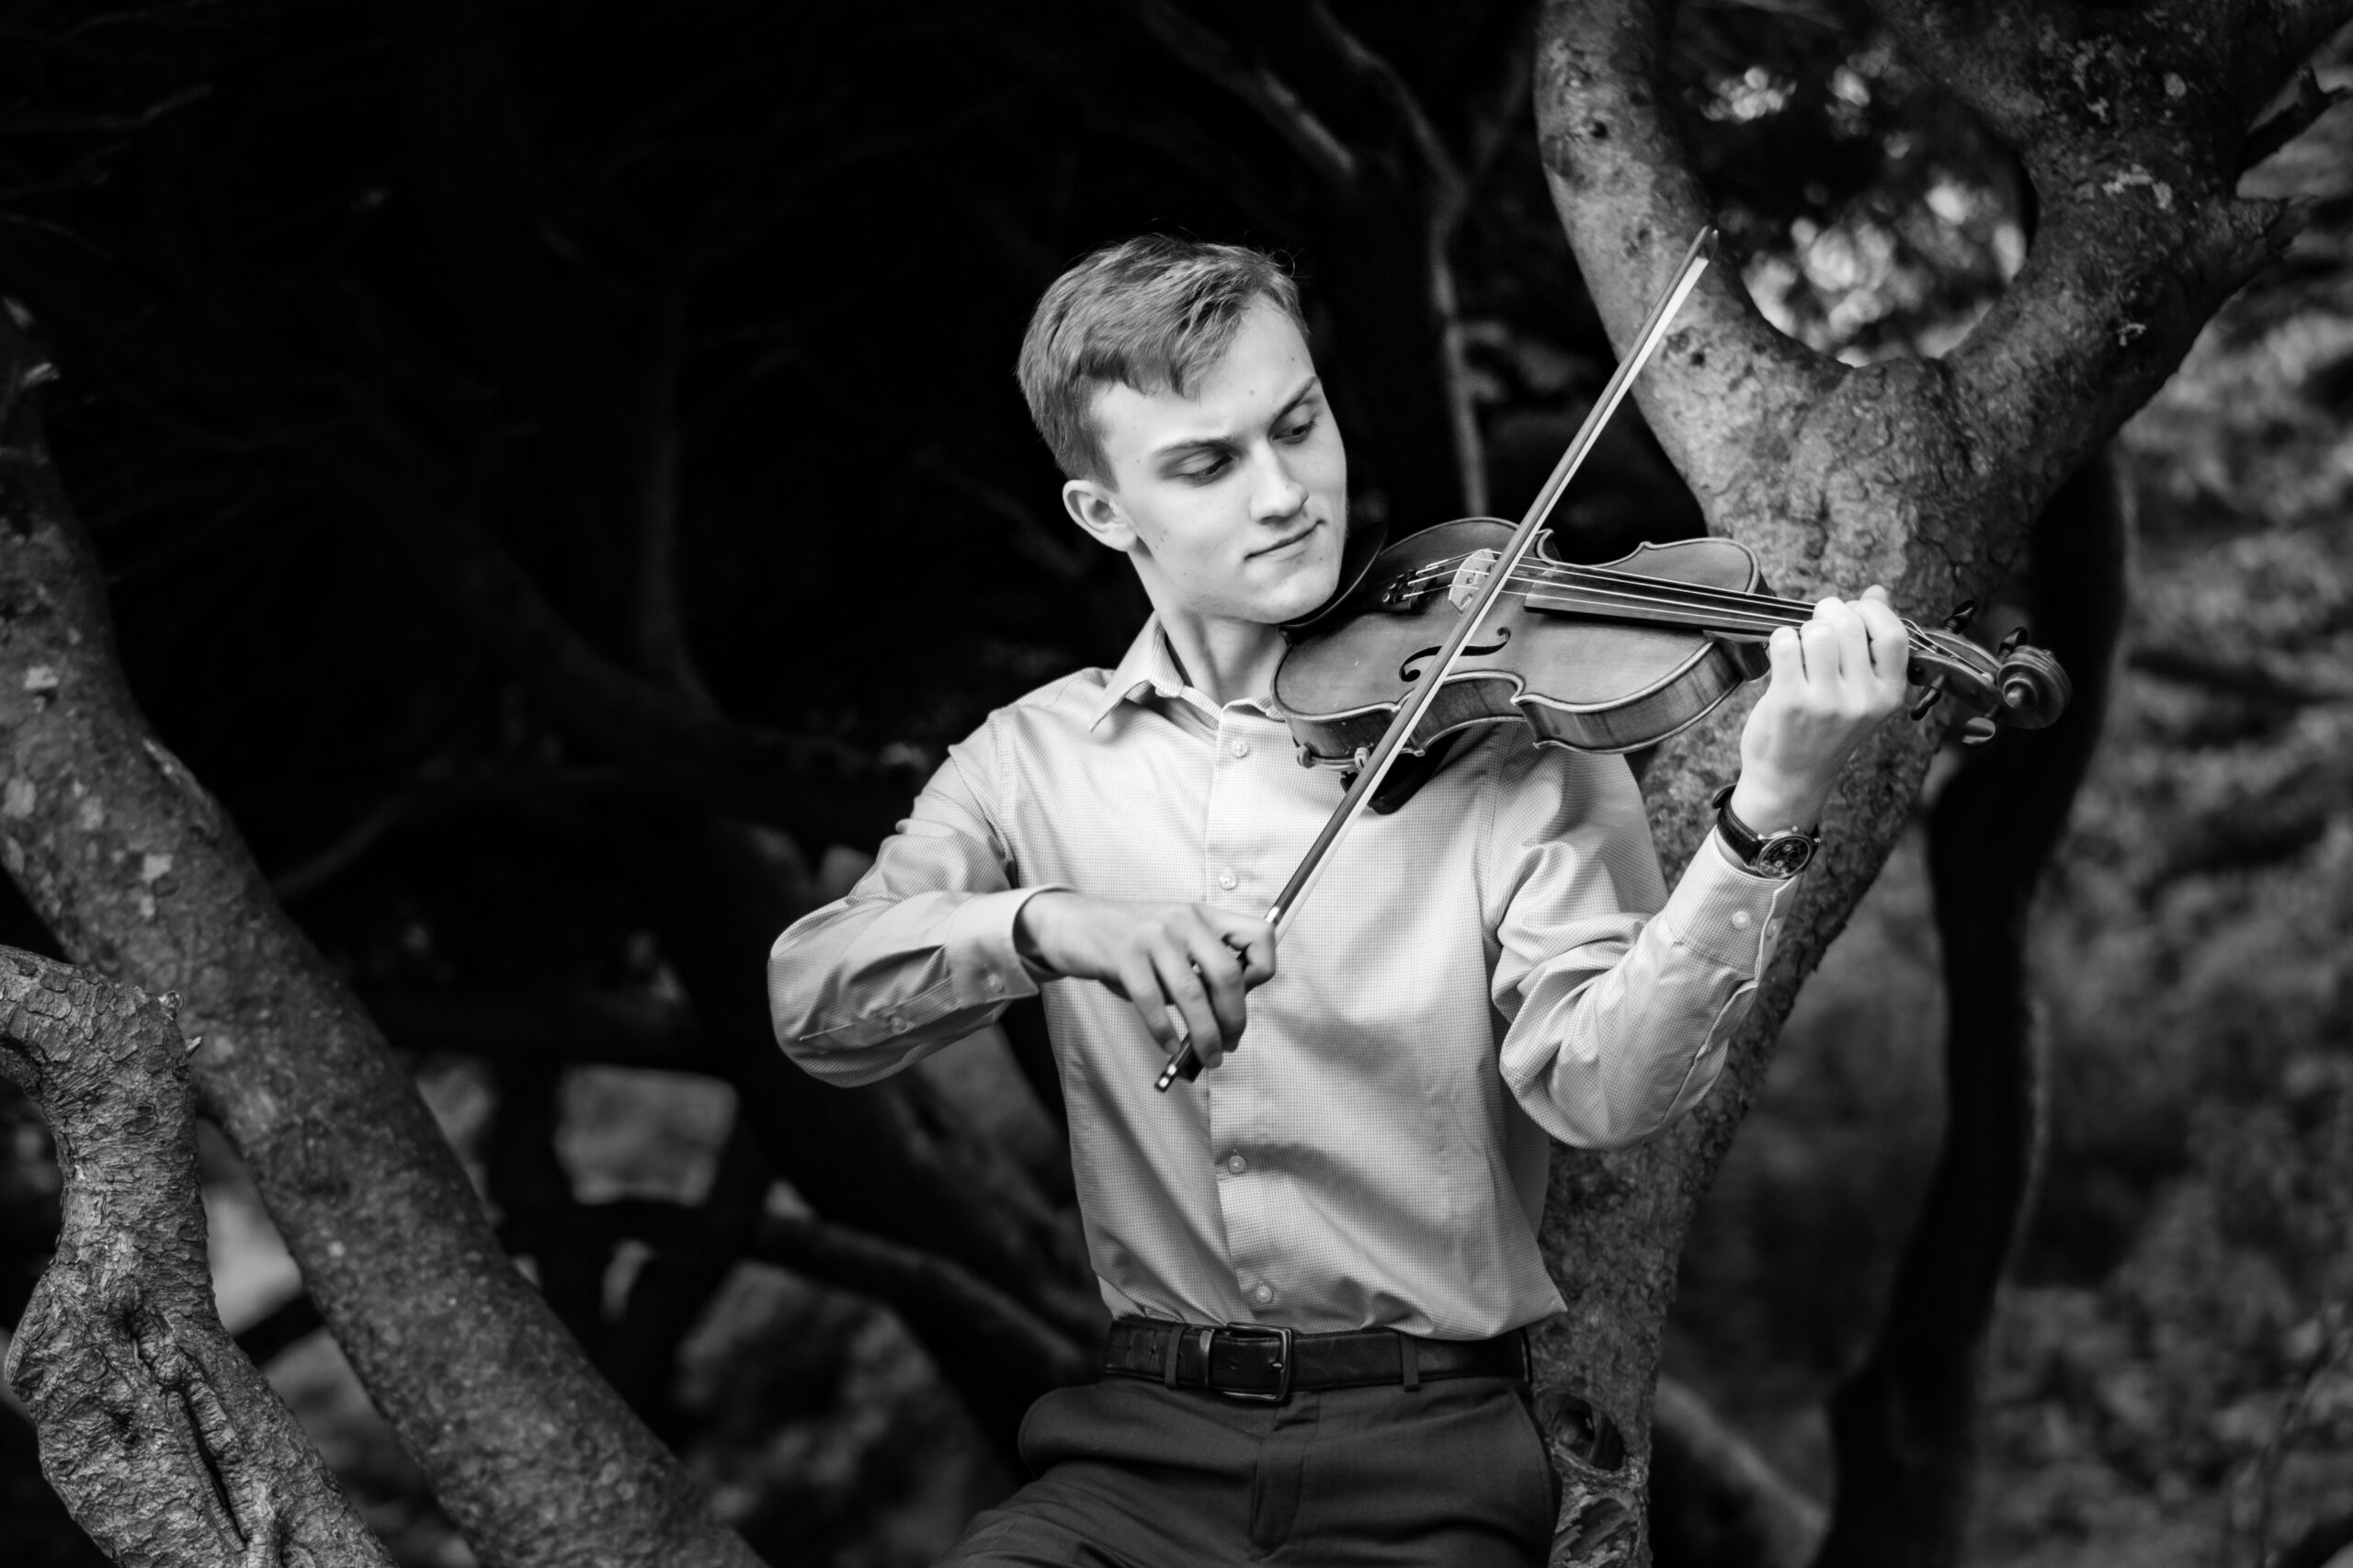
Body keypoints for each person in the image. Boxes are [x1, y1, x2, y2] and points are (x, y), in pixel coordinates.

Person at [767, 235, 1909, 1566]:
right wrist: (1054, 924)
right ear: (1102, 511)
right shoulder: (1035, 761)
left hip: (1423, 1459)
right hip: (1135, 1454)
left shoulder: (1504, 737)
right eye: (1208, 464)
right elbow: (815, 1002)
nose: (1287, 494)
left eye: (1298, 425)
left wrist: (1765, 816)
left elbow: (1604, 1090)